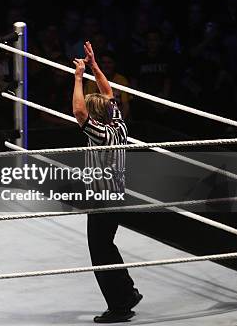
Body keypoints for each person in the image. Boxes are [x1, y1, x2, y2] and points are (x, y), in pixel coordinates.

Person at [72, 41, 142, 323]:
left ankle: (120, 306)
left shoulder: (101, 134)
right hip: (116, 195)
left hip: (103, 199)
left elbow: (78, 112)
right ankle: (127, 293)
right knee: (107, 246)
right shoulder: (119, 124)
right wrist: (94, 66)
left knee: (100, 252)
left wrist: (78, 77)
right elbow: (109, 93)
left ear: (96, 117)